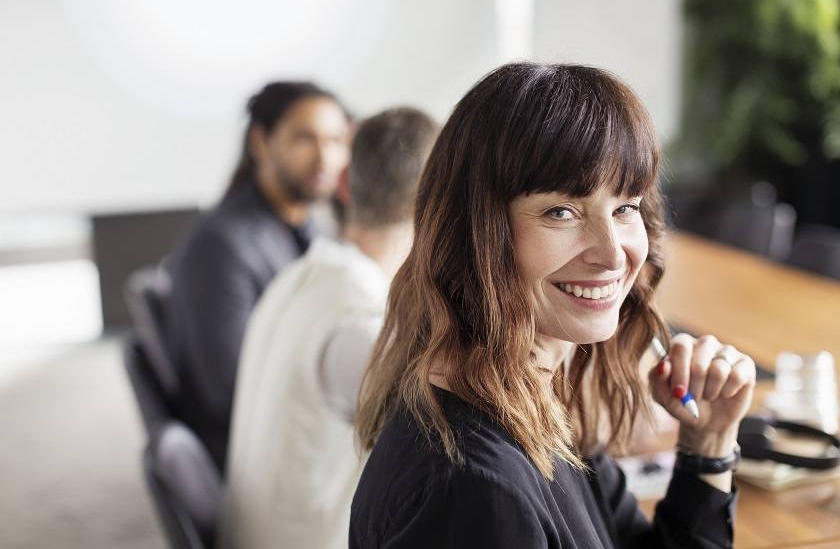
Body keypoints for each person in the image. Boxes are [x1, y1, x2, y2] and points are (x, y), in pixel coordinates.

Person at [351, 63, 756, 548]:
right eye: (561, 212)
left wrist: (708, 445)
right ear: (475, 234)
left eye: (625, 207)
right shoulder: (475, 490)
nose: (612, 253)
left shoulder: (535, 402)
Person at [218, 106, 439, 549]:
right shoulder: (365, 321)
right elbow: (444, 453)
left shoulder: (300, 276)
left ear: (343, 182)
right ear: (437, 204)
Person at [166, 82, 352, 471]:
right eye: (305, 139)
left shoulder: (312, 232)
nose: (325, 158)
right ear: (260, 142)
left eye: (336, 140)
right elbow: (225, 392)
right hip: (259, 456)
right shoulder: (220, 245)